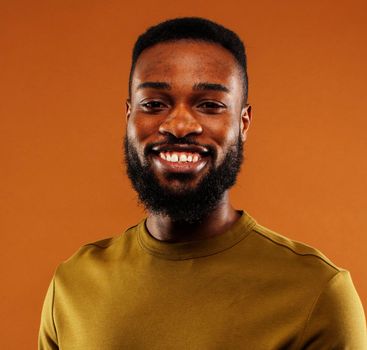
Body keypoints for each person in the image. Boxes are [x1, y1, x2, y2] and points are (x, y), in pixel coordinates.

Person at [39, 17, 367, 349]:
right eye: (154, 104)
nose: (179, 125)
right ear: (129, 116)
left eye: (210, 105)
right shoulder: (72, 283)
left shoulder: (317, 293)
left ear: (243, 123)